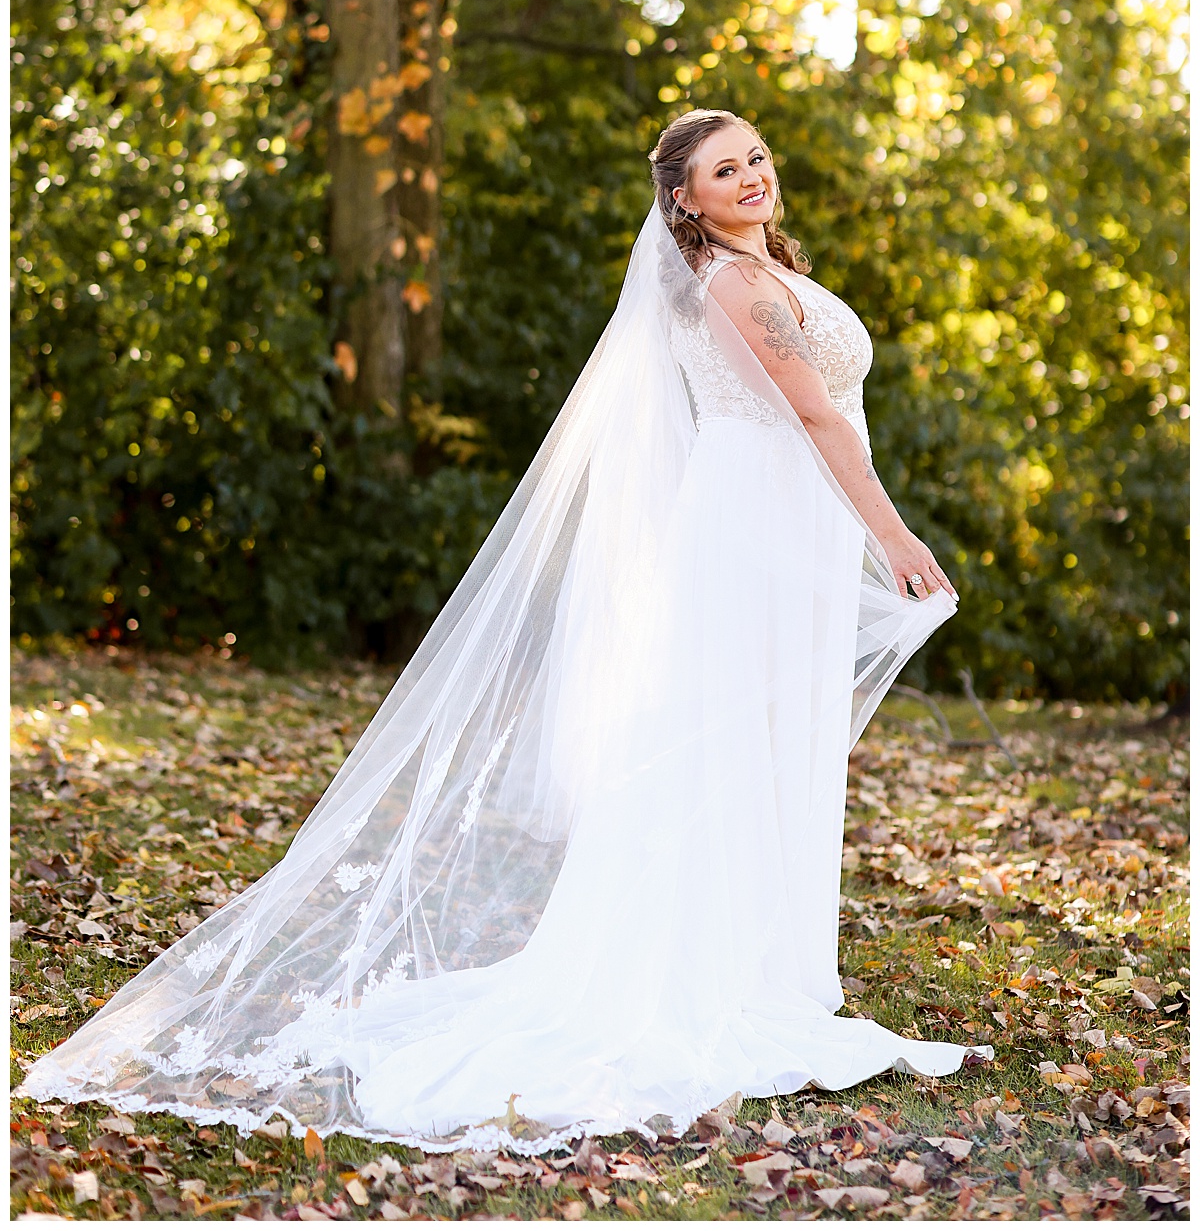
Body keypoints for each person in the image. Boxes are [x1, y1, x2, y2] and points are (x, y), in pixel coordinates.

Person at [21, 108, 982, 1153]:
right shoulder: (733, 286)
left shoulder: (763, 268)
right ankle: (696, 974)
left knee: (766, 744)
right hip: (756, 524)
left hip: (786, 518)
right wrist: (891, 536)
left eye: (755, 156)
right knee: (725, 744)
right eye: (724, 169)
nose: (751, 175)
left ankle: (758, 964)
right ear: (685, 199)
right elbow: (815, 415)